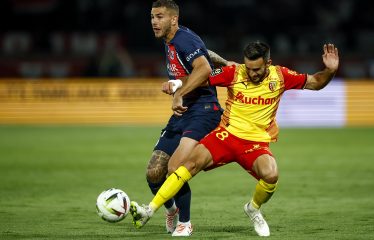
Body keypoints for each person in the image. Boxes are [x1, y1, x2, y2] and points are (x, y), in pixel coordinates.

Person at [130, 42, 340, 236]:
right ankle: (150, 210)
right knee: (186, 165)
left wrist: (329, 71)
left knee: (271, 175)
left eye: (257, 69)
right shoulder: (234, 72)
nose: (251, 73)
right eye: (248, 68)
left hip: (255, 143)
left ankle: (253, 209)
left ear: (268, 63)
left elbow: (315, 82)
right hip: (226, 135)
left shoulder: (281, 76)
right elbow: (201, 77)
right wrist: (176, 84)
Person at [136, 0, 231, 236]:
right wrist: (226, 62)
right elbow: (205, 55)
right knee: (153, 172)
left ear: (173, 19)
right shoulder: (172, 40)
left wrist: (179, 92)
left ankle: (185, 223)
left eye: (159, 17)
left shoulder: (183, 39)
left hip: (203, 110)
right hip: (184, 112)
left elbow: (203, 69)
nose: (154, 22)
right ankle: (172, 210)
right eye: (151, 17)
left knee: (175, 167)